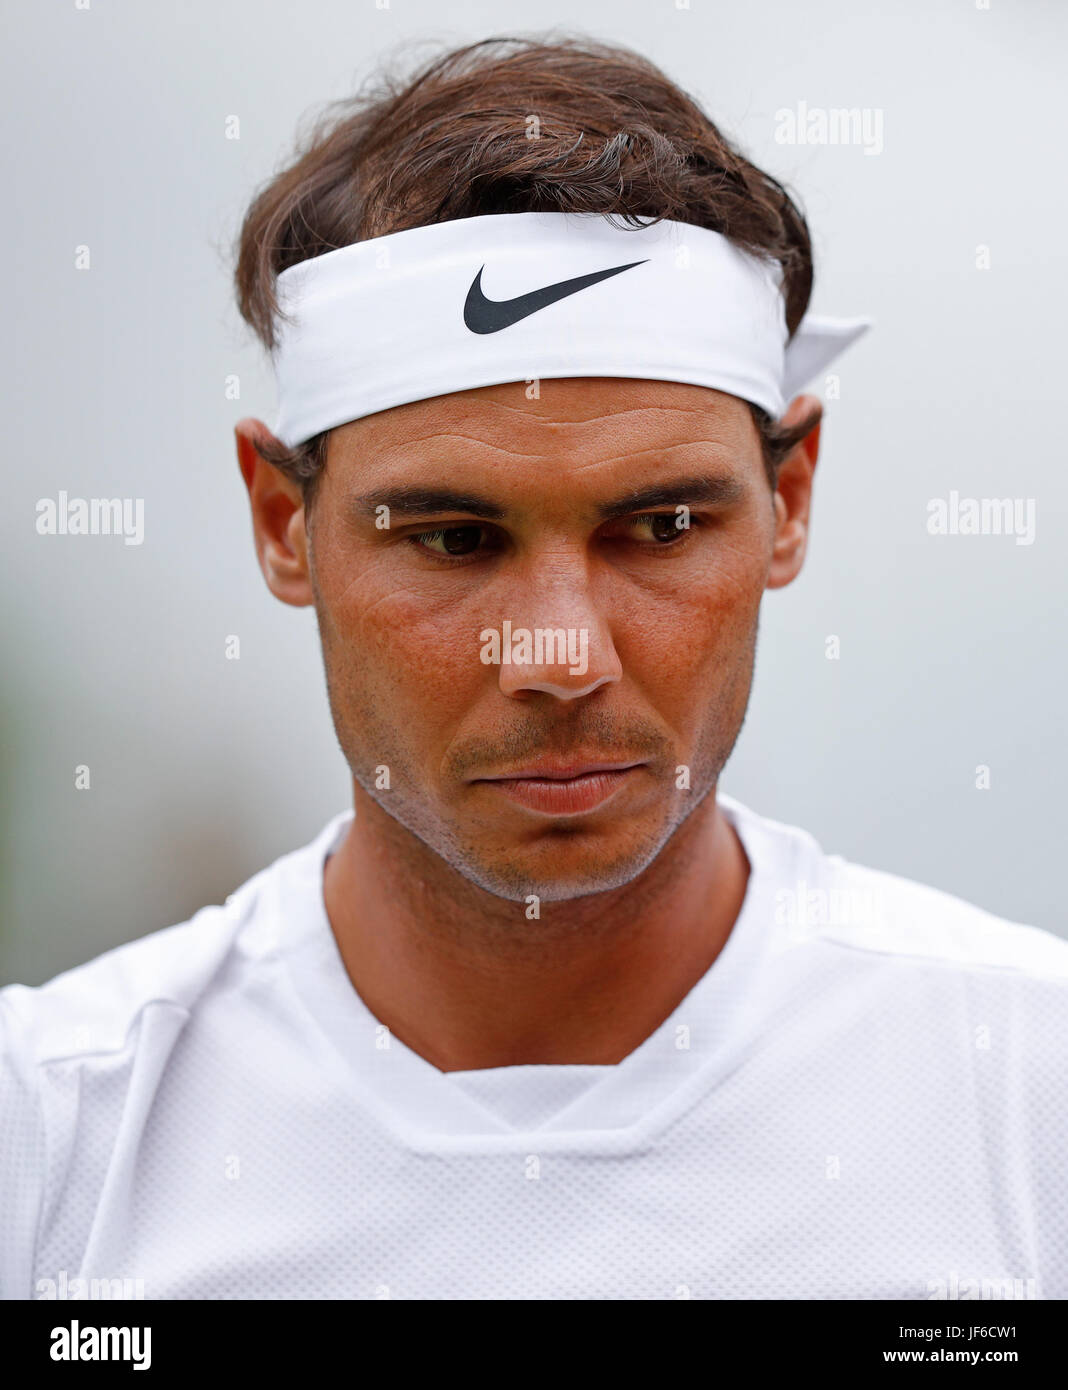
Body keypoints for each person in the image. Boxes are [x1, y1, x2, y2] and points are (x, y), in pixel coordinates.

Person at [2, 35, 1064, 1302]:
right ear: (285, 524)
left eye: (661, 527)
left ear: (789, 499)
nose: (561, 656)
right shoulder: (55, 1139)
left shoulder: (1026, 1093)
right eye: (453, 538)